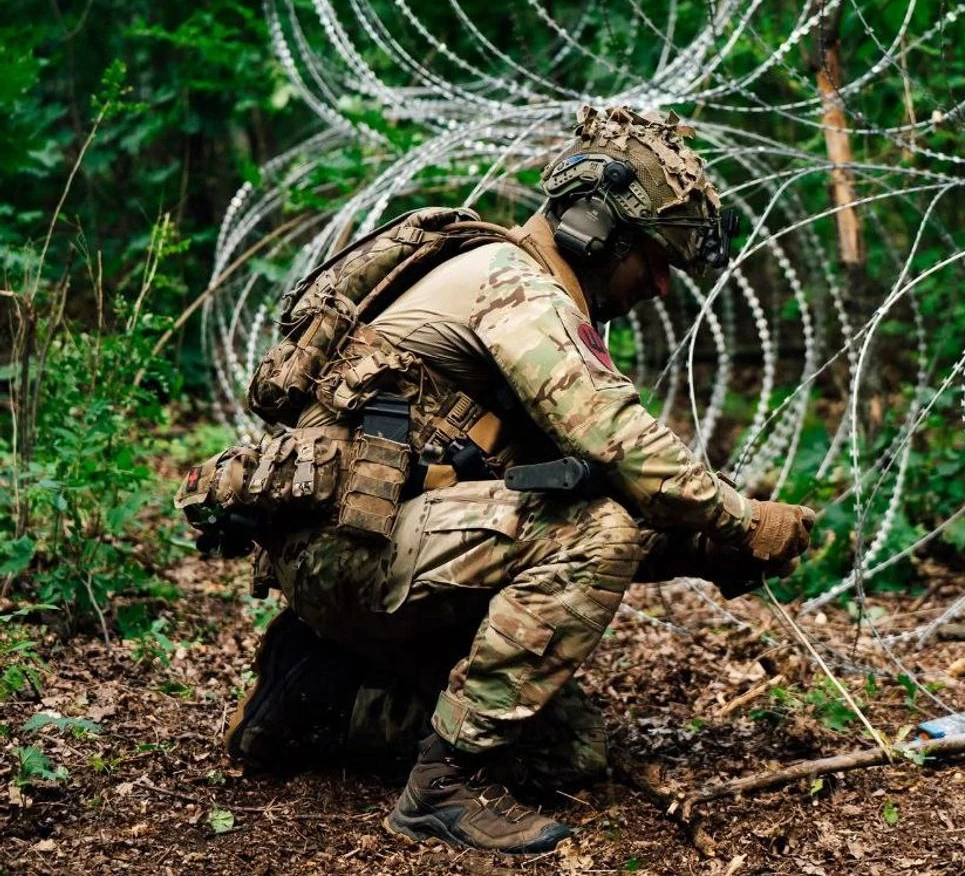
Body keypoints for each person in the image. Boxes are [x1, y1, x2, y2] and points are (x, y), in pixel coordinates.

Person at [219, 106, 816, 853]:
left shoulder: (518, 286)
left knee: (568, 752)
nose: (661, 285)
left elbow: (554, 491)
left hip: (361, 549)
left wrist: (706, 551)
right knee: (605, 529)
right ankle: (439, 788)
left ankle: (319, 693)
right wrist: (739, 518)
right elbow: (621, 449)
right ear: (599, 232)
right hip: (352, 552)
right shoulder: (515, 287)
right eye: (655, 258)